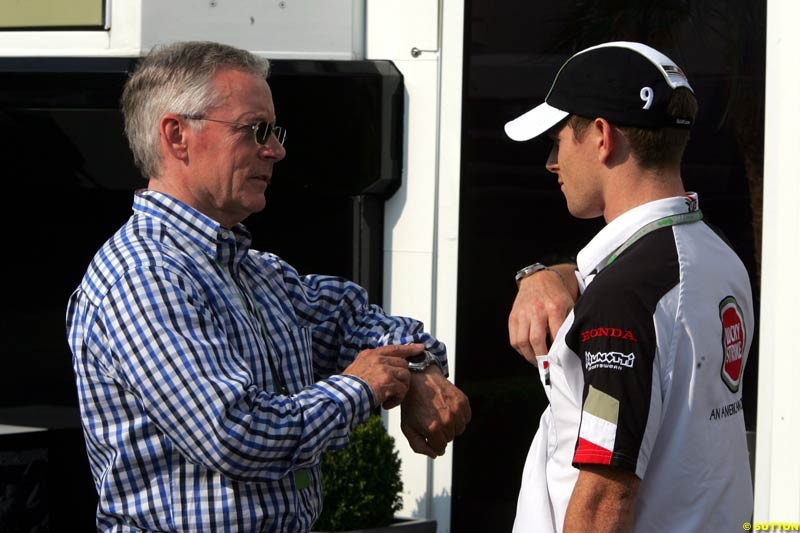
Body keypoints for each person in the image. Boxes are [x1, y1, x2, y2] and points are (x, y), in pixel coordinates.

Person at [65, 40, 470, 532]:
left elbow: (362, 325)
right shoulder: (143, 276)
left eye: (274, 131)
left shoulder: (258, 272)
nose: (276, 150)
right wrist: (362, 386)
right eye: (255, 130)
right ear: (177, 136)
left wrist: (420, 370)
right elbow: (236, 433)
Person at [504, 41, 754, 532]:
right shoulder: (717, 255)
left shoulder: (626, 298)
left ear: (602, 136)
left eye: (559, 140)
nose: (552, 162)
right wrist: (543, 276)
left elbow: (602, 503)